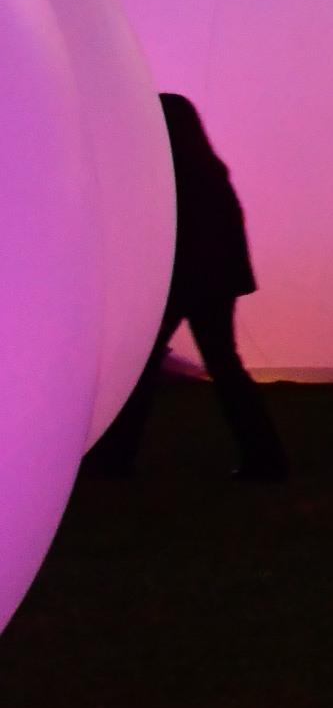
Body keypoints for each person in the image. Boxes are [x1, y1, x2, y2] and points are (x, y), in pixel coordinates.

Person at [94, 92, 290, 482]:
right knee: (221, 363)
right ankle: (264, 456)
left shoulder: (164, 178)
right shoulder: (208, 174)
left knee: (141, 365)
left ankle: (115, 458)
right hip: (214, 281)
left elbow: (157, 233)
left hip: (182, 280)